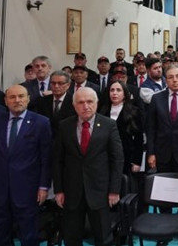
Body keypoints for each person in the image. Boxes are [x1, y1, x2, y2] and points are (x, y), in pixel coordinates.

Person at [0, 84, 53, 246]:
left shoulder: (41, 123)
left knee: (29, 237)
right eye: (12, 97)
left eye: (21, 96)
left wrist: (43, 187)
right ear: (5, 101)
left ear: (28, 99)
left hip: (29, 191)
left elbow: (46, 158)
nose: (17, 100)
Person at [53, 87, 123, 246]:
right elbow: (57, 160)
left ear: (96, 103)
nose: (85, 106)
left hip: (100, 191)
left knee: (103, 237)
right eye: (81, 102)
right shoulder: (64, 126)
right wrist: (58, 190)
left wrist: (114, 190)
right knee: (72, 238)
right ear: (74, 105)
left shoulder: (108, 125)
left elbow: (117, 159)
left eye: (90, 101)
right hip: (72, 191)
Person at [100, 81, 144, 175]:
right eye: (112, 90)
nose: (114, 93)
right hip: (105, 157)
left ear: (124, 94)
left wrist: (136, 161)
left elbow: (138, 138)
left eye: (118, 90)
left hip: (126, 157)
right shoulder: (102, 111)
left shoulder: (134, 112)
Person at [34, 70, 76, 138]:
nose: (56, 86)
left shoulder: (74, 101)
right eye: (53, 83)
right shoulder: (42, 101)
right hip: (47, 138)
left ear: (68, 85)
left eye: (60, 83)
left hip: (67, 138)